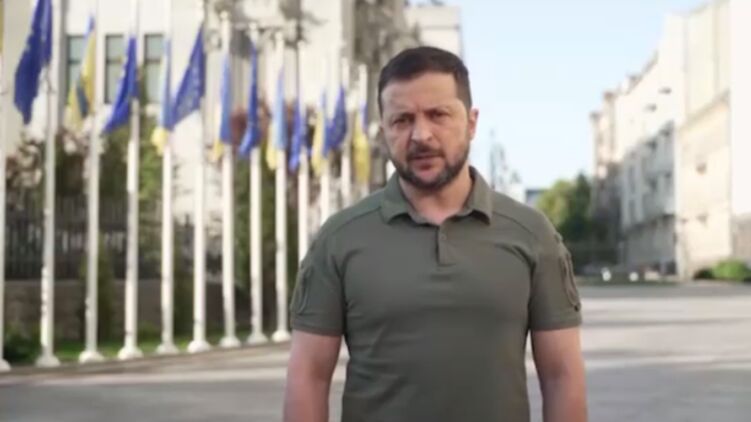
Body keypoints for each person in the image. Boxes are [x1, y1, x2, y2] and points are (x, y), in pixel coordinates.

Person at [283, 46, 587, 422]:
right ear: (384, 130)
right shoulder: (339, 239)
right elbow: (308, 376)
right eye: (402, 120)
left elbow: (562, 376)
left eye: (438, 115)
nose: (421, 135)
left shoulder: (531, 234)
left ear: (472, 123)